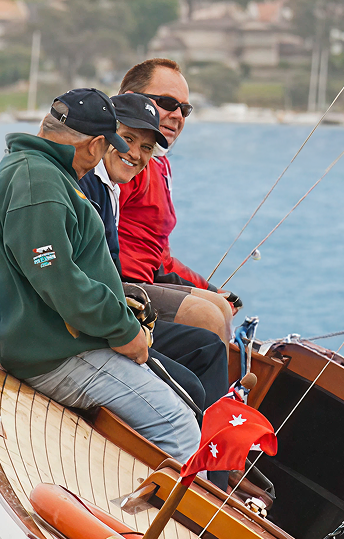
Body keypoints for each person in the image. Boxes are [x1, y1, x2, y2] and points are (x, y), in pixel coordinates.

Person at [0, 88, 200, 463]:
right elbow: (60, 281)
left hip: (64, 345)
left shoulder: (39, 172)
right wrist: (125, 331)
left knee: (185, 397)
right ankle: (185, 522)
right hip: (60, 354)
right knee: (178, 427)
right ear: (96, 144)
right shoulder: (39, 183)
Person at [79, 93, 229, 422]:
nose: (135, 153)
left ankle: (223, 448)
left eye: (146, 147)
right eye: (127, 139)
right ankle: (215, 462)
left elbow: (155, 256)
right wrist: (128, 328)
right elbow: (81, 275)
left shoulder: (112, 188)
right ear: (104, 136)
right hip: (100, 322)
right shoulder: (89, 187)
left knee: (211, 339)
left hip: (120, 302)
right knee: (199, 365)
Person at [116, 58, 242, 344]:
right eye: (167, 103)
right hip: (122, 286)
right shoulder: (124, 162)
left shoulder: (159, 165)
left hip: (149, 281)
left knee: (220, 307)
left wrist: (208, 287)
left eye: (185, 109)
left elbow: (160, 257)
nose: (178, 115)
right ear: (130, 100)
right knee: (208, 316)